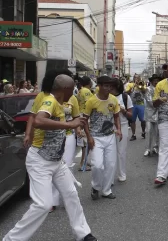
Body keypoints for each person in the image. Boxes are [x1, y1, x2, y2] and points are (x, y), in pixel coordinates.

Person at [3, 74, 97, 241]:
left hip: (56, 161)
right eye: (71, 89)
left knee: (71, 194)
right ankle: (12, 239)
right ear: (65, 89)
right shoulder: (50, 101)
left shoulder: (60, 104)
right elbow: (38, 120)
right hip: (40, 161)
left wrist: (78, 128)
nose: (73, 93)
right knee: (43, 205)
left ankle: (83, 234)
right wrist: (69, 124)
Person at [83, 76, 122, 200]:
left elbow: (116, 117)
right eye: (106, 86)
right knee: (97, 165)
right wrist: (89, 137)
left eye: (110, 86)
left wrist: (119, 130)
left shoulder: (114, 100)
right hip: (96, 137)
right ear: (99, 86)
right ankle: (95, 187)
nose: (108, 88)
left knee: (110, 165)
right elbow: (84, 120)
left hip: (110, 136)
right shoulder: (91, 101)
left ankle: (106, 190)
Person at [51, 92, 83, 212]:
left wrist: (78, 129)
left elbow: (76, 117)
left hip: (68, 135)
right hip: (53, 137)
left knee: (68, 166)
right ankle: (53, 200)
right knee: (54, 167)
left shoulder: (72, 98)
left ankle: (69, 199)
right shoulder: (49, 97)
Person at [111, 78, 133, 182]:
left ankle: (121, 174)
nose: (110, 88)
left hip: (123, 125)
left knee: (121, 151)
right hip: (109, 126)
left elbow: (130, 115)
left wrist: (123, 110)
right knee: (109, 152)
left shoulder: (125, 97)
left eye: (113, 86)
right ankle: (109, 176)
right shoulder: (107, 97)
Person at [77, 76, 93, 171]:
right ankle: (82, 164)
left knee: (85, 142)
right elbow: (89, 104)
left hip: (81, 115)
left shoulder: (80, 90)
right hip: (85, 117)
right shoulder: (86, 91)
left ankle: (85, 161)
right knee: (85, 142)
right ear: (88, 82)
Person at [144, 74, 161, 156]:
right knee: (149, 131)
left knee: (157, 132)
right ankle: (148, 148)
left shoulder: (161, 89)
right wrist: (159, 102)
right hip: (149, 113)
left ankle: (156, 147)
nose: (156, 82)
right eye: (155, 80)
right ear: (151, 81)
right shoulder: (147, 89)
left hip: (158, 113)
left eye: (157, 80)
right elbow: (150, 101)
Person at [126, 74, 146, 141]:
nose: (136, 79)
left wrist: (139, 85)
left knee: (143, 120)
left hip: (141, 104)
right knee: (132, 120)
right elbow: (126, 93)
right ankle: (133, 135)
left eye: (137, 78)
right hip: (133, 105)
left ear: (140, 78)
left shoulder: (142, 84)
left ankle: (143, 132)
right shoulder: (130, 85)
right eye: (135, 78)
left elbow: (144, 91)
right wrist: (133, 87)